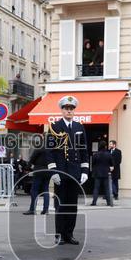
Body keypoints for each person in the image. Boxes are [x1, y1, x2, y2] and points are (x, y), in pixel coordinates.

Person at [47, 96, 89, 245]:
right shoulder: (54, 127)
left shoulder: (79, 127)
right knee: (61, 204)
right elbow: (50, 151)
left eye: (72, 109)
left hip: (75, 172)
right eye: (66, 109)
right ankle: (59, 235)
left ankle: (69, 234)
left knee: (72, 205)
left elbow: (84, 150)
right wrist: (54, 172)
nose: (69, 111)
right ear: (62, 110)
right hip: (61, 172)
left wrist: (84, 171)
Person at [23, 143, 52, 215]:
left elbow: (33, 157)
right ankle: (46, 210)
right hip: (49, 170)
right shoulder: (52, 148)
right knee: (46, 190)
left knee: (34, 190)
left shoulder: (40, 146)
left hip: (39, 170)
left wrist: (27, 167)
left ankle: (32, 209)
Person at [89, 140, 115, 207]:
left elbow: (93, 163)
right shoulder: (108, 154)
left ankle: (94, 202)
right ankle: (108, 202)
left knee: (96, 188)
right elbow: (112, 163)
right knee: (107, 188)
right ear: (105, 146)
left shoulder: (96, 154)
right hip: (106, 173)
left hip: (97, 173)